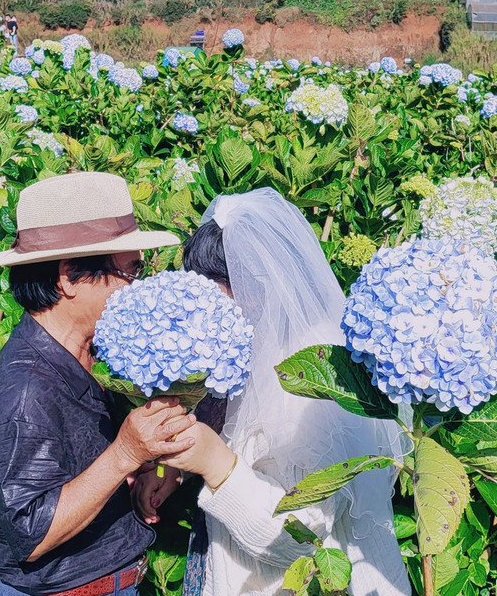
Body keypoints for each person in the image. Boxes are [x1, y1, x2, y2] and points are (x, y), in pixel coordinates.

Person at [135, 188, 413, 596]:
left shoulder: (312, 379)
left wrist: (215, 462)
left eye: (218, 286)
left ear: (263, 284)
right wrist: (174, 468)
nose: (206, 304)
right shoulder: (245, 347)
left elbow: (302, 540)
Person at [0, 172, 197, 596]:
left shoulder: (92, 350)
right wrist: (126, 455)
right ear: (70, 277)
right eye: (130, 272)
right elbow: (30, 532)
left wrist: (144, 470)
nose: (139, 286)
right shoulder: (25, 393)